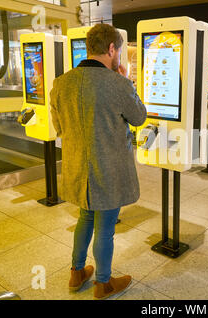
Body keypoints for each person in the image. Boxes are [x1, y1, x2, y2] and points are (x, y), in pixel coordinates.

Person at [50, 23, 147, 300]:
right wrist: (126, 80)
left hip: (77, 169)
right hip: (109, 169)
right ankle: (103, 284)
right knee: (105, 226)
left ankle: (76, 272)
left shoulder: (61, 83)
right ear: (112, 49)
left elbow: (60, 127)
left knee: (85, 217)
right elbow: (139, 117)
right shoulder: (117, 83)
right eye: (119, 52)